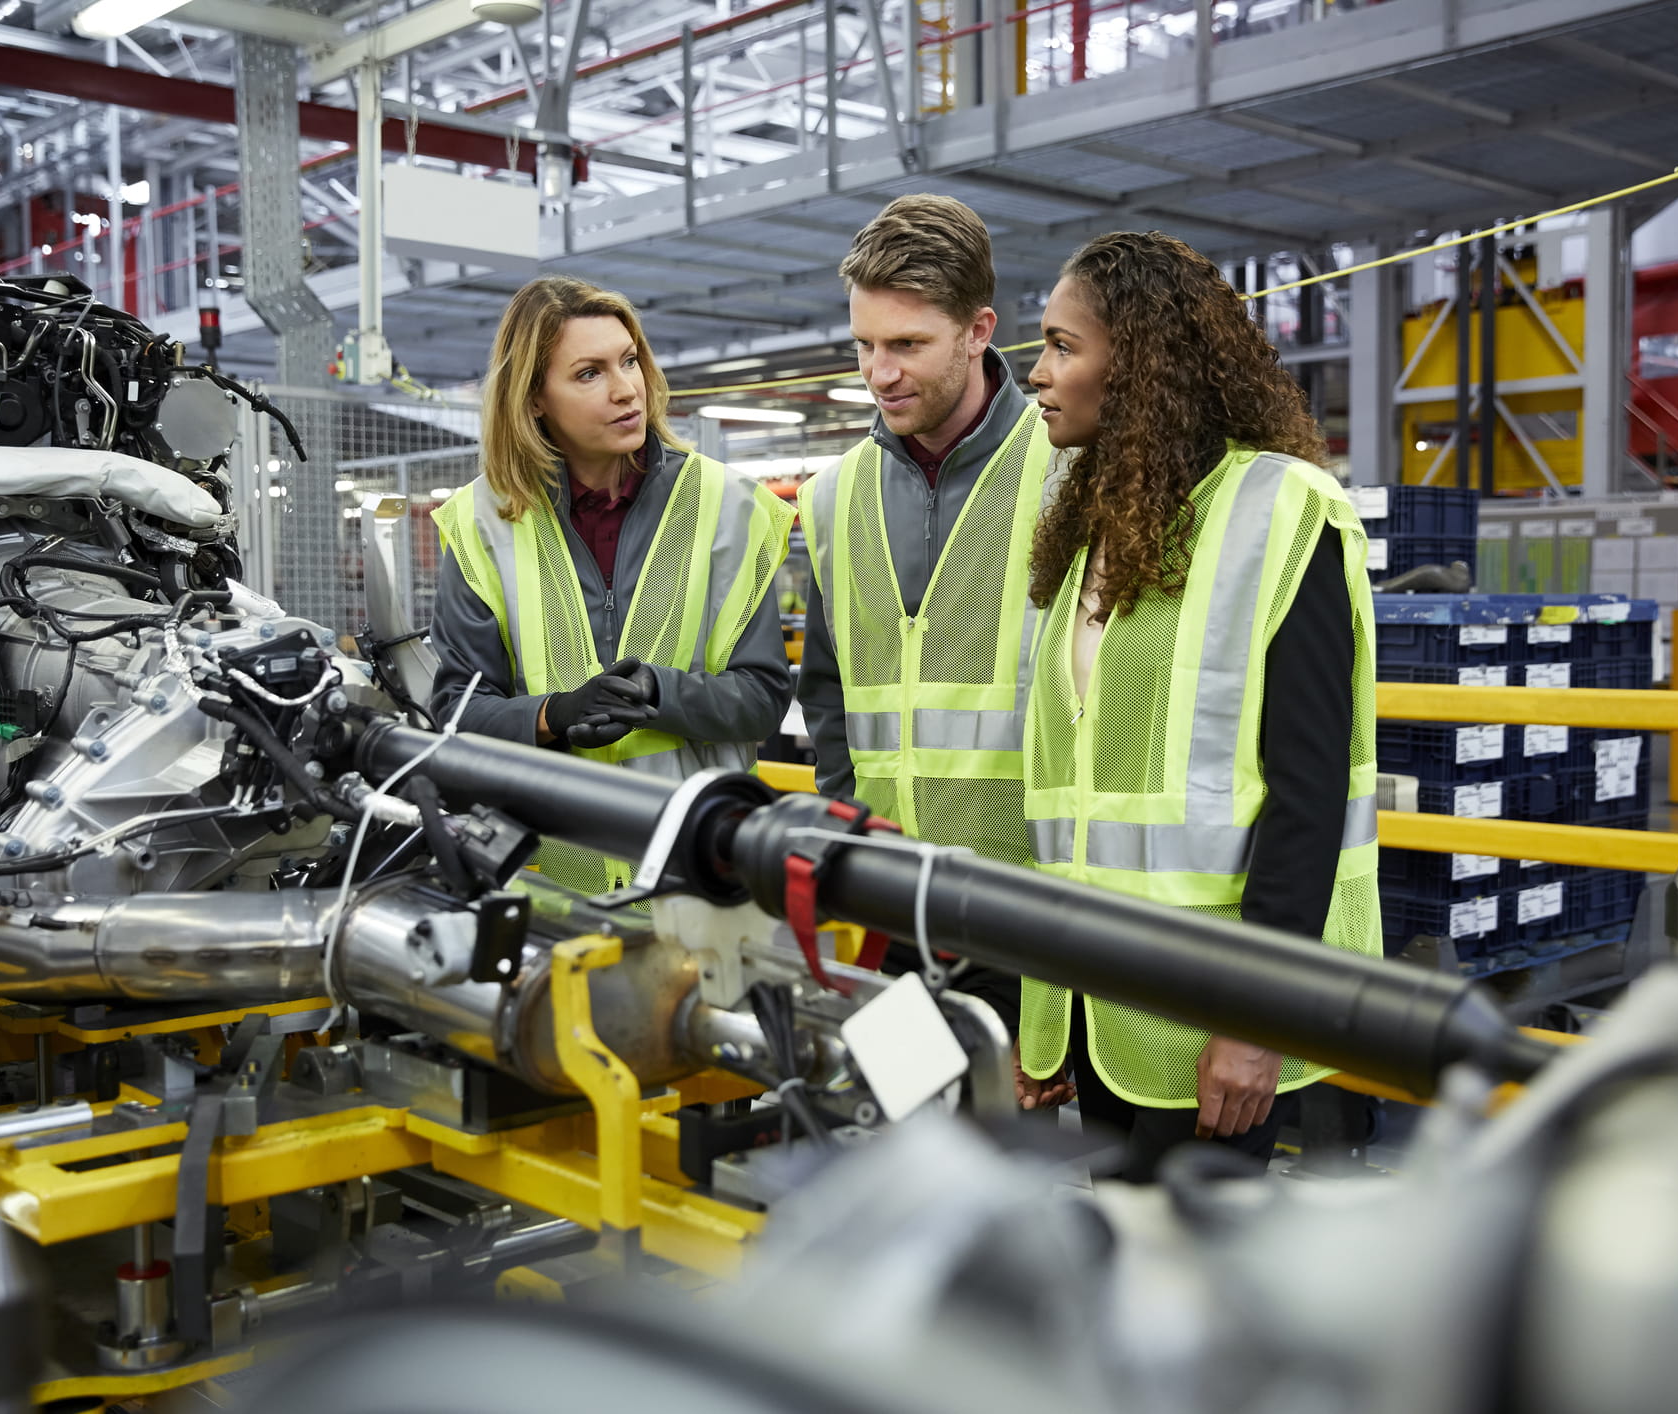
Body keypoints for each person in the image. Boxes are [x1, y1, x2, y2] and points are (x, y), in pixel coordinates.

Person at [1016, 231, 1381, 1182]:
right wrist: (1048, 1017)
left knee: (1189, 1291)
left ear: (1135, 364)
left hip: (1213, 1019)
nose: (1037, 372)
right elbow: (1076, 808)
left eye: (1062, 345)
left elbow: (1307, 796)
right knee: (1119, 1269)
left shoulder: (1282, 509)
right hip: (1101, 1011)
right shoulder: (1095, 528)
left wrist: (1256, 1024)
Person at [430, 276, 796, 893]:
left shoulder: (729, 506)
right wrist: (553, 715)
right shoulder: (479, 524)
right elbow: (456, 712)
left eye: (629, 361)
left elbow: (763, 695)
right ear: (534, 398)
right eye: (589, 373)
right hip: (551, 882)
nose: (628, 389)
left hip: (698, 870)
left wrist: (663, 692)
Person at [795, 194, 1058, 1034]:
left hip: (1035, 907)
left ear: (979, 332)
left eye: (907, 345)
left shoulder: (1067, 470)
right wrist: (852, 839)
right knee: (904, 1138)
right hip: (890, 904)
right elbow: (828, 690)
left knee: (1020, 1158)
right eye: (865, 345)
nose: (879, 373)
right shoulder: (833, 495)